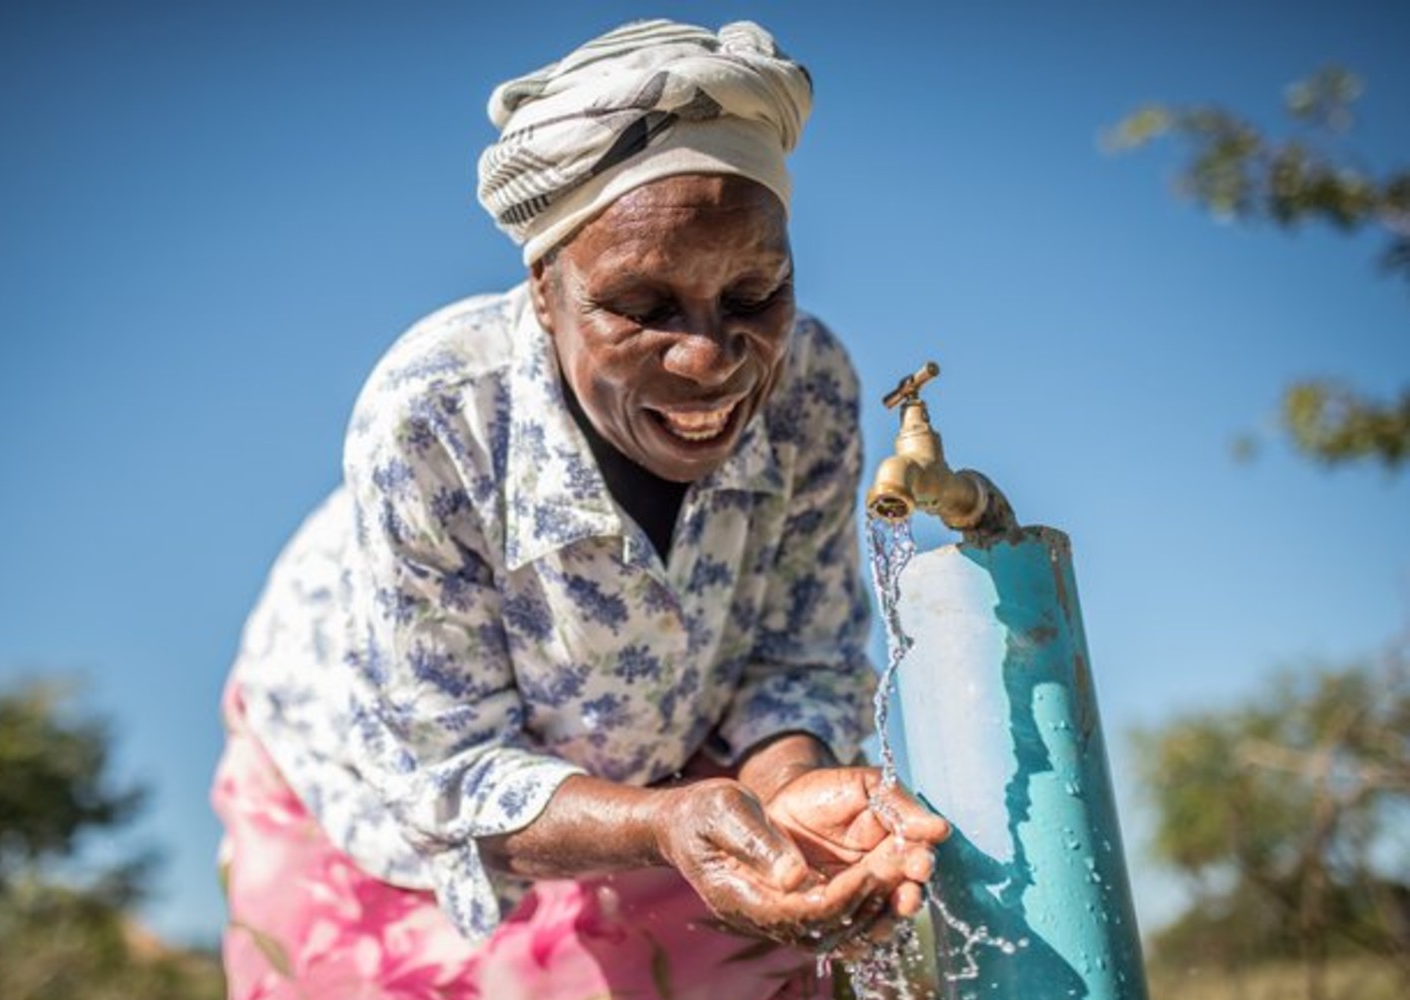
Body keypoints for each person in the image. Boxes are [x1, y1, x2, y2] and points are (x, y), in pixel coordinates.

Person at [211, 18, 949, 1000]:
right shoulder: (436, 413)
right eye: (644, 305)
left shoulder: (808, 385)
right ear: (544, 290)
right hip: (373, 788)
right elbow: (449, 773)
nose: (711, 356)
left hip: (672, 766)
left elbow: (794, 660)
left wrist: (786, 790)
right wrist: (663, 822)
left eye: (755, 292)